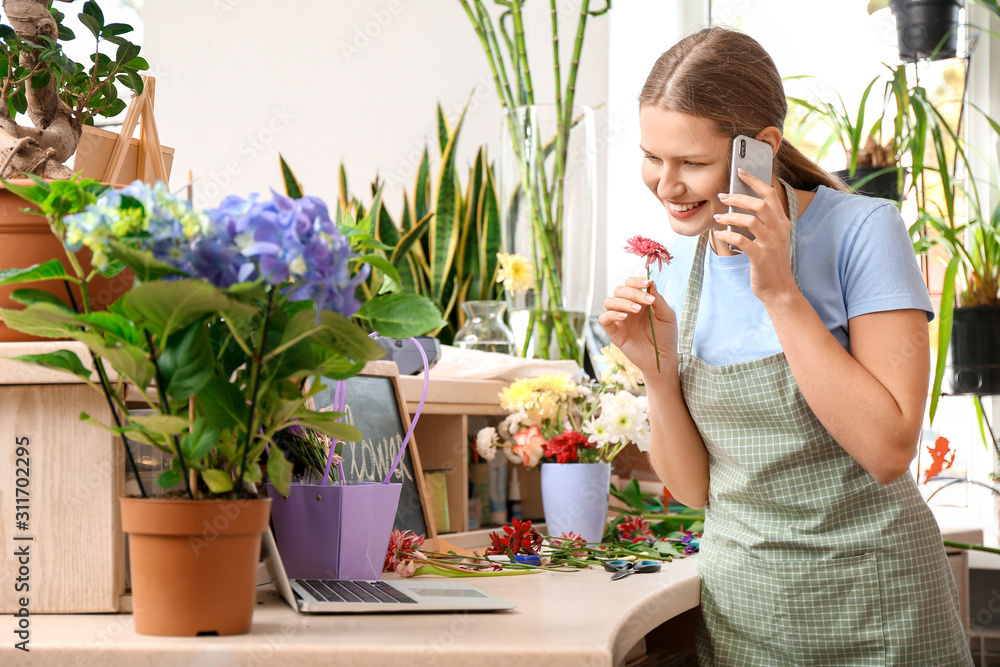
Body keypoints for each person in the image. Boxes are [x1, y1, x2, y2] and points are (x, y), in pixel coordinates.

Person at [600, 27, 973, 666]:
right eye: (651, 157)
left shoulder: (864, 232)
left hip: (881, 609)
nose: (666, 185)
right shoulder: (670, 268)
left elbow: (888, 450)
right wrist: (656, 373)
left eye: (691, 162)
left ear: (762, 149)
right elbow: (694, 491)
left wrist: (780, 293)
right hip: (746, 615)